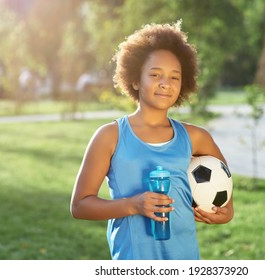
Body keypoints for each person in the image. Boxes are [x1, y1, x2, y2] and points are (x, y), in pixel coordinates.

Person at [70, 21, 234, 260]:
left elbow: (224, 188)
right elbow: (80, 206)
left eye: (174, 77)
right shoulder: (110, 136)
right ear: (135, 80)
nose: (165, 83)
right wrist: (133, 205)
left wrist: (225, 213)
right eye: (155, 74)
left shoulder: (196, 138)